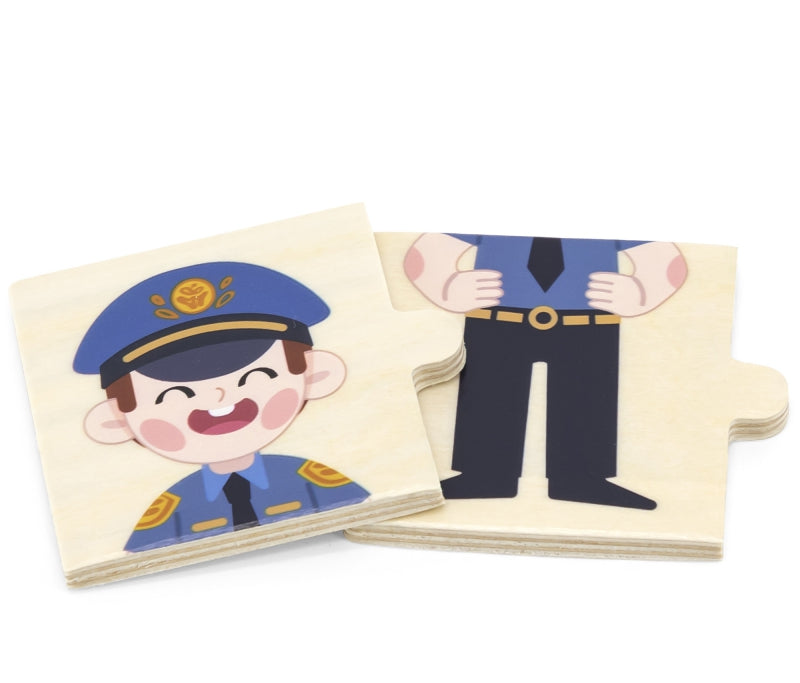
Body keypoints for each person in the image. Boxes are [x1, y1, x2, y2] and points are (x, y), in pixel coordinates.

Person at [75, 261, 369, 552]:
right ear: (115, 420)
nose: (218, 396)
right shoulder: (169, 512)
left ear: (316, 376)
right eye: (175, 395)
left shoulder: (313, 481)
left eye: (257, 376)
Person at [404, 233, 688, 509]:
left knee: (586, 397)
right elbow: (426, 253)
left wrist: (641, 293)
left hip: (588, 322)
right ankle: (483, 473)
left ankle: (584, 478)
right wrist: (447, 286)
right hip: (495, 317)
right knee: (488, 393)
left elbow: (664, 259)